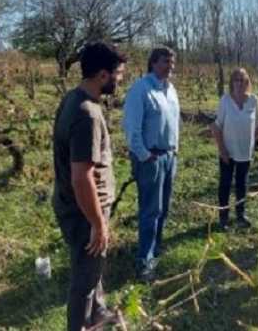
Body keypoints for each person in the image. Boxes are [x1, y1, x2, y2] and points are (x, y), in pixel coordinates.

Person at [51, 42, 127, 331]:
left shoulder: (73, 99)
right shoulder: (87, 114)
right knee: (84, 280)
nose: (120, 79)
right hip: (84, 213)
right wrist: (97, 223)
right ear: (103, 75)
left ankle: (98, 313)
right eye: (118, 74)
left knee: (93, 272)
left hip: (78, 206)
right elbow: (81, 177)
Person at [123, 47, 180, 282]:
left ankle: (156, 249)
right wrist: (144, 155)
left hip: (169, 156)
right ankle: (144, 260)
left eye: (172, 62)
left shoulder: (171, 90)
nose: (170, 67)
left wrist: (175, 150)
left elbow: (175, 122)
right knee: (150, 210)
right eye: (166, 62)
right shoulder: (141, 89)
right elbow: (132, 128)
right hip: (151, 159)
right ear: (153, 63)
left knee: (163, 208)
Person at [211, 68, 258, 230]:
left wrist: (257, 145)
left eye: (243, 80)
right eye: (236, 80)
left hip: (245, 151)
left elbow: (257, 125)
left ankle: (240, 215)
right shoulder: (225, 100)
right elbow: (216, 127)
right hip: (228, 151)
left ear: (247, 82)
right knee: (225, 184)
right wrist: (222, 150)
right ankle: (223, 217)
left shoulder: (253, 100)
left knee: (242, 184)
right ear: (232, 82)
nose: (240, 83)